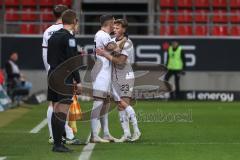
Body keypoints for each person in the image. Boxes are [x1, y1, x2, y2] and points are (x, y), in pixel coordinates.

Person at [96, 19, 141, 142]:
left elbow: (121, 61)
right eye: (114, 27)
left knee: (124, 103)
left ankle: (136, 131)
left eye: (118, 28)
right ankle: (126, 134)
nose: (115, 30)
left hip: (125, 76)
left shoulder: (128, 43)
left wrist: (105, 54)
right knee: (120, 106)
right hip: (115, 77)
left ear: (124, 29)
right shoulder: (114, 41)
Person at [42, 4, 80, 145]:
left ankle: (56, 139)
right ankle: (61, 141)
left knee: (54, 107)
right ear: (73, 21)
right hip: (64, 76)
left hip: (52, 73)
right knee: (62, 109)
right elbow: (71, 60)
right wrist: (78, 80)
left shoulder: (50, 34)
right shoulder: (68, 37)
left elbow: (47, 56)